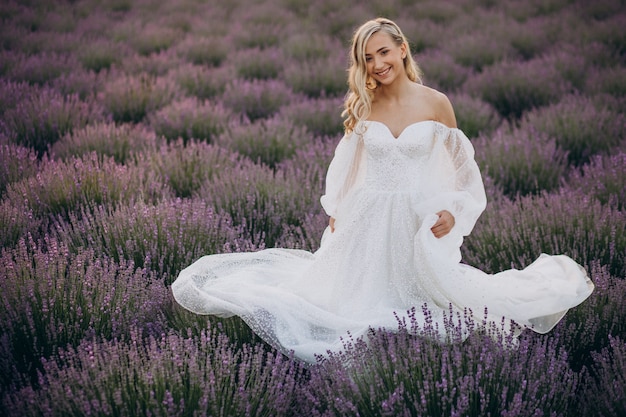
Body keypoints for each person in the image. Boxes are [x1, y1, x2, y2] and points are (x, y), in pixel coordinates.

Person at [172, 17, 594, 364]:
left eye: (384, 52)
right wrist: (337, 207)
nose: (377, 64)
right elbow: (350, 163)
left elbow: (461, 168)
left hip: (414, 216)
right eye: (368, 58)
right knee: (348, 300)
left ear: (403, 49)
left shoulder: (435, 103)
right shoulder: (364, 105)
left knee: (436, 301)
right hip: (367, 214)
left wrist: (452, 209)